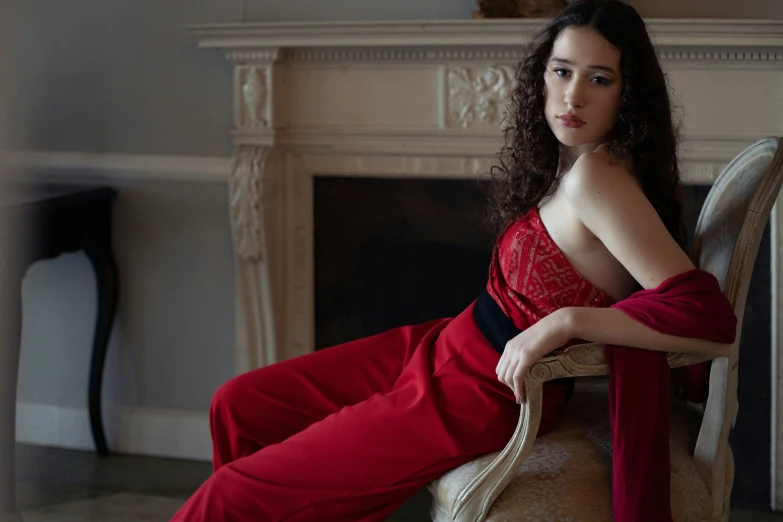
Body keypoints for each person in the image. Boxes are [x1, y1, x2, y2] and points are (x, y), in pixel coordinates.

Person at [171, 1, 737, 520]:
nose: (573, 97)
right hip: (447, 342)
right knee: (240, 406)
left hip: (481, 393)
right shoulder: (578, 161)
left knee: (230, 495)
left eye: (599, 79)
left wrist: (565, 323)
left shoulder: (599, 178)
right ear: (542, 74)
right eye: (562, 71)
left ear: (627, 92)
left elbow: (703, 315)